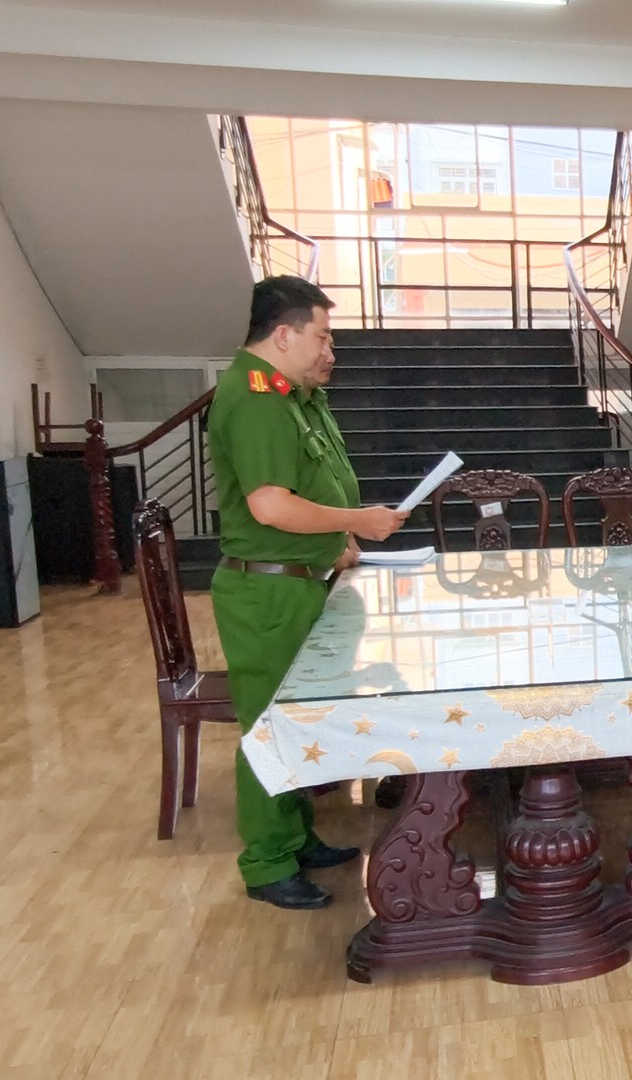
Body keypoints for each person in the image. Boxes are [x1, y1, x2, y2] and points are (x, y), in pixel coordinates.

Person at [209, 276, 408, 910]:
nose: (330, 350)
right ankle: (267, 862)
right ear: (283, 334)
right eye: (322, 337)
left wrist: (335, 542)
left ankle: (294, 837)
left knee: (297, 719)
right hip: (267, 593)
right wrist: (356, 522)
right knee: (270, 725)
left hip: (298, 578)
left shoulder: (292, 396)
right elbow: (270, 505)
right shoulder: (258, 398)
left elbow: (306, 488)